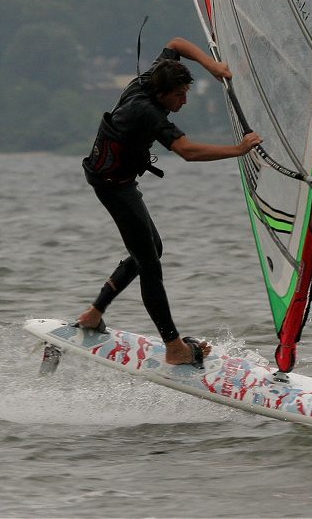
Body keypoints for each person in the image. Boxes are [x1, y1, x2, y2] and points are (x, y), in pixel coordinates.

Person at [77, 36, 262, 367]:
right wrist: (239, 149)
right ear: (163, 94)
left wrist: (210, 65)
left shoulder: (151, 78)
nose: (184, 101)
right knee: (149, 263)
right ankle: (174, 347)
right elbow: (187, 151)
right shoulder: (146, 111)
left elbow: (176, 42)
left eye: (186, 93)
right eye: (179, 95)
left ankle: (94, 313)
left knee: (151, 250)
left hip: (118, 182)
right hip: (113, 186)